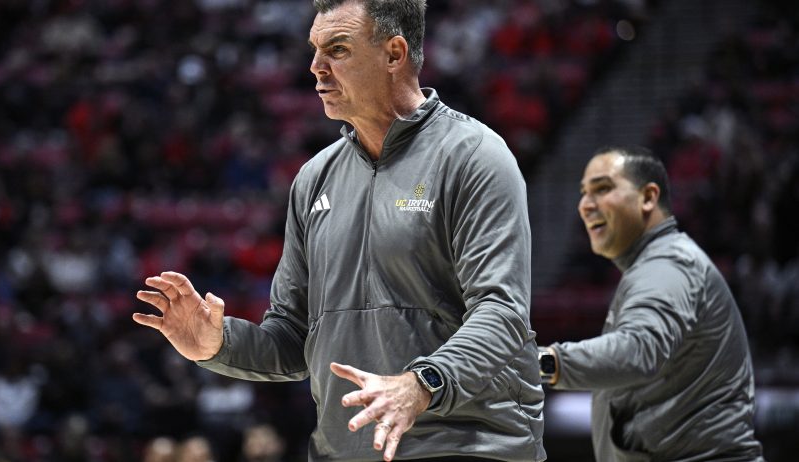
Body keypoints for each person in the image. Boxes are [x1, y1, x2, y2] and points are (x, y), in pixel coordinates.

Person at [133, 0, 546, 461]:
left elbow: (502, 311)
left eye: (338, 49)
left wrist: (422, 383)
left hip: (467, 446)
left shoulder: (475, 157)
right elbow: (292, 338)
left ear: (394, 54)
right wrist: (220, 344)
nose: (315, 67)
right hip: (346, 450)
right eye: (314, 49)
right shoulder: (314, 179)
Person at [538, 146, 764, 461]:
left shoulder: (668, 264)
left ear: (648, 198)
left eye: (602, 189)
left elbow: (638, 350)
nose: (586, 205)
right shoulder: (658, 263)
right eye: (583, 193)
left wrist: (544, 362)